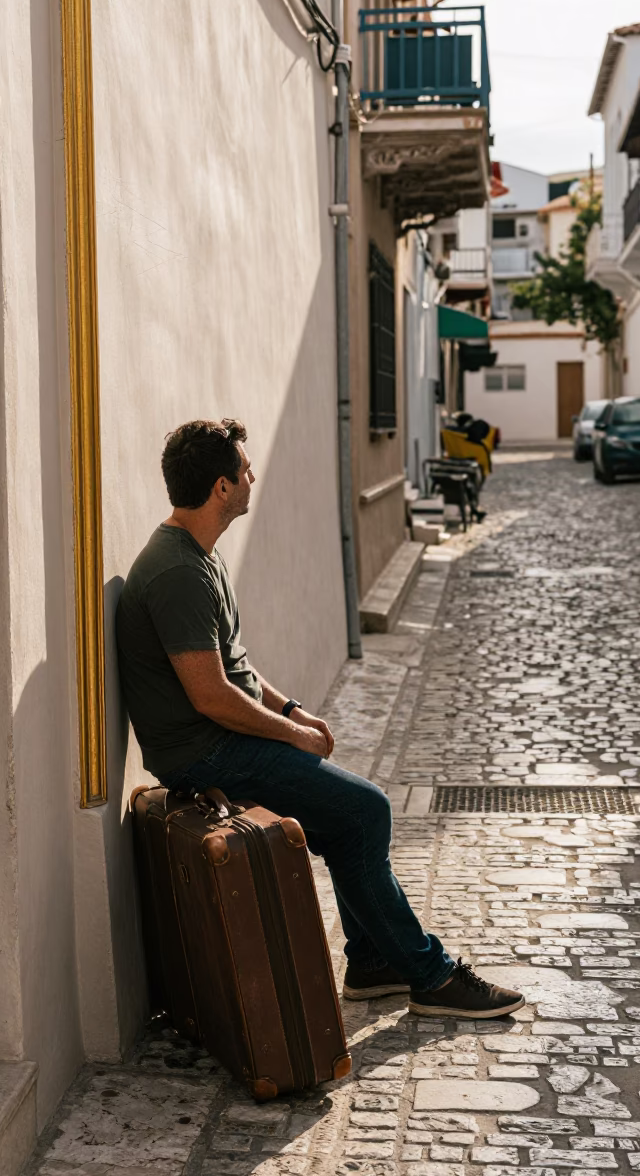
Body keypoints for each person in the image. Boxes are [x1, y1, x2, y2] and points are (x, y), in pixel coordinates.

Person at [116, 418, 524, 1019]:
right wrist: (294, 737)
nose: (253, 474)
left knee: (347, 824)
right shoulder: (178, 571)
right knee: (367, 810)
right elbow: (211, 696)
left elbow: (237, 669)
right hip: (204, 750)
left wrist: (290, 709)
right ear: (222, 488)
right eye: (245, 468)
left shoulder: (197, 555)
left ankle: (371, 962)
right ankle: (431, 978)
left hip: (220, 736)